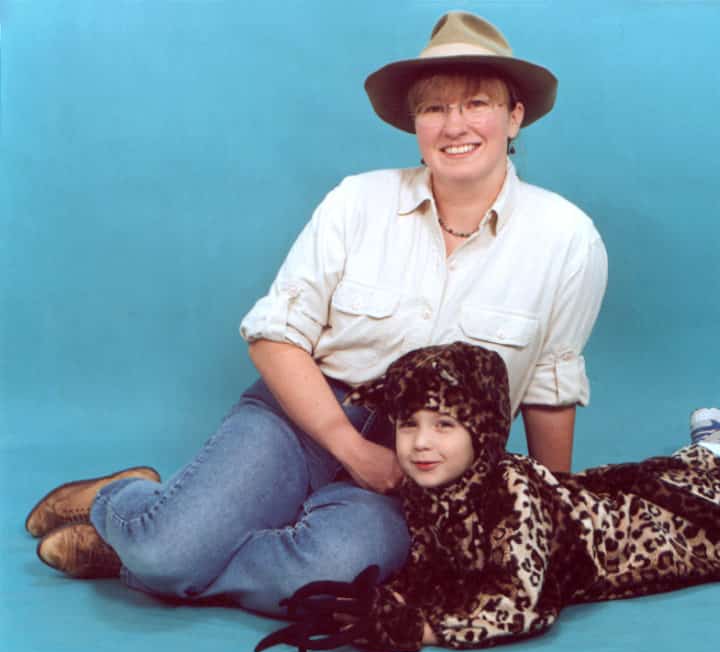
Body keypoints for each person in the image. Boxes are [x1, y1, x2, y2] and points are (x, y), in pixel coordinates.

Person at [25, 11, 607, 616]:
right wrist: (350, 449)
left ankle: (138, 551)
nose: (454, 125)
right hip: (304, 414)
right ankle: (124, 504)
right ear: (414, 123)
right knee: (170, 551)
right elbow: (275, 337)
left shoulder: (567, 239)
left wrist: (546, 522)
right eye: (433, 109)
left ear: (515, 117)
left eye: (477, 103)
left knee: (333, 574)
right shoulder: (357, 202)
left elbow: (548, 388)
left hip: (427, 459)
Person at [253, 342, 720, 652]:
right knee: (644, 475)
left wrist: (426, 630)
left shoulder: (512, 498)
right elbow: (441, 563)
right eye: (409, 424)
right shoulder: (430, 490)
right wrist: (400, 597)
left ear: (486, 433)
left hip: (646, 544)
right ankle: (717, 452)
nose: (420, 443)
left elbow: (524, 604)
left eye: (444, 425)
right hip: (600, 501)